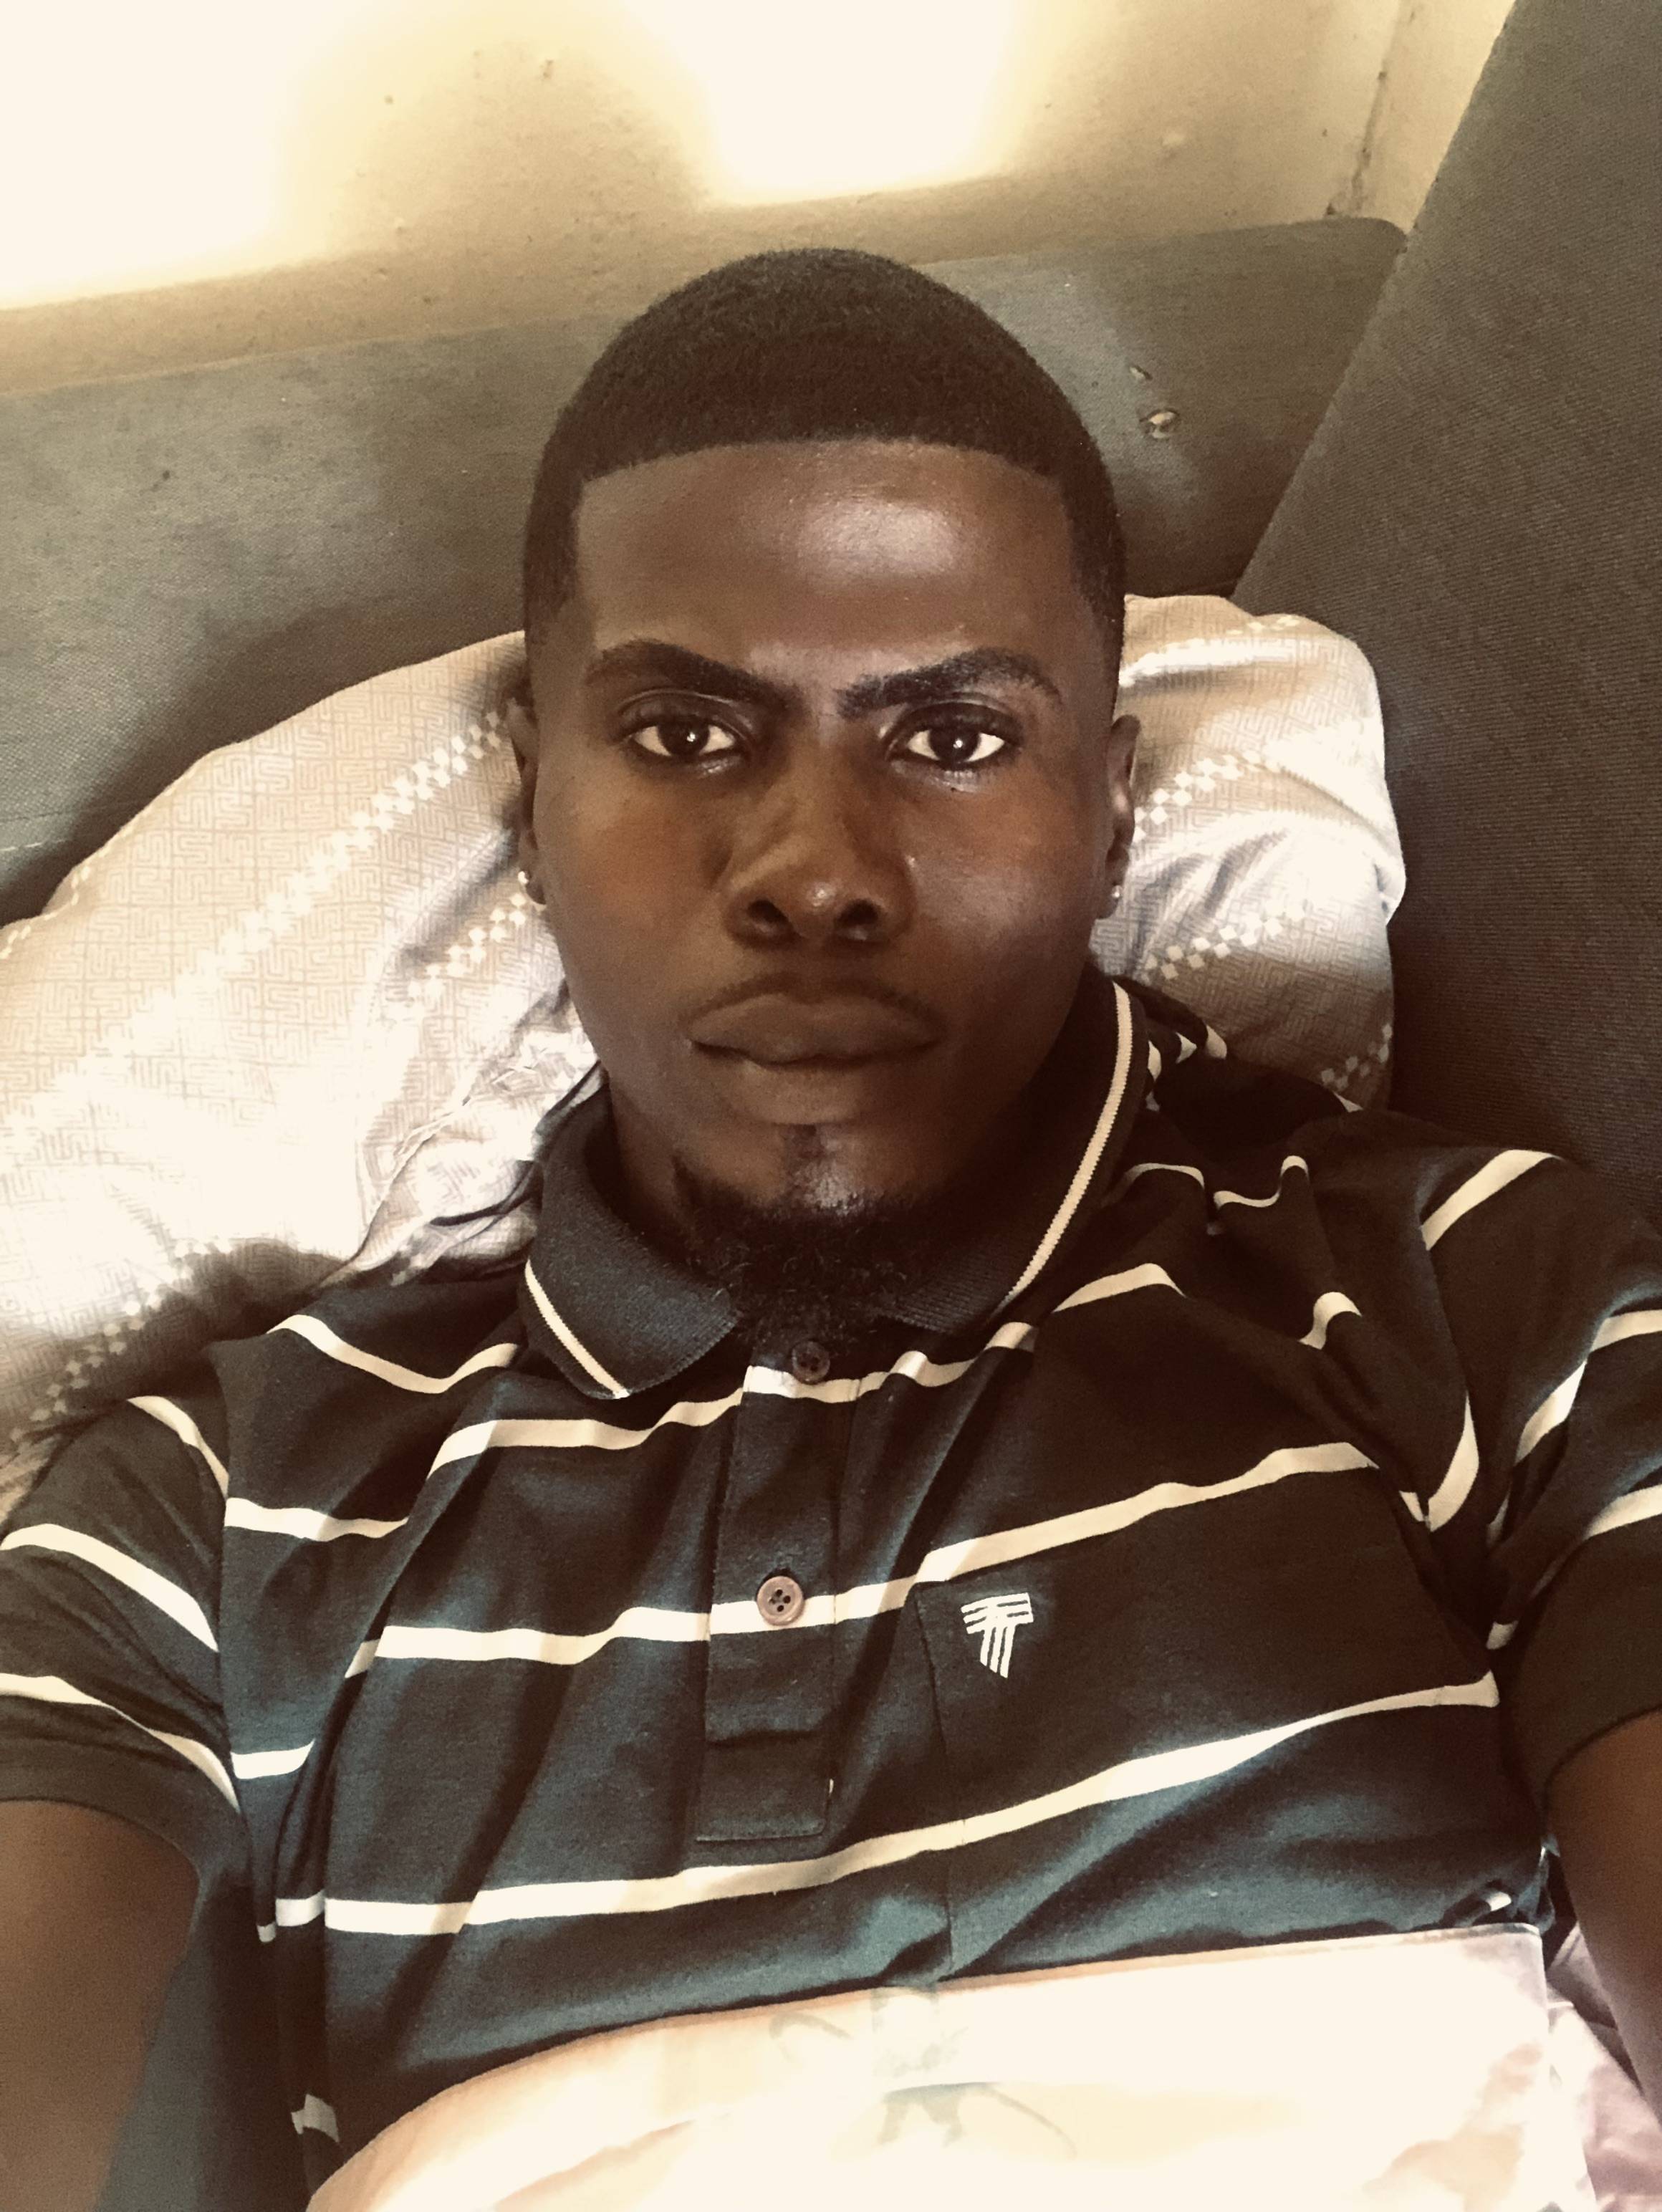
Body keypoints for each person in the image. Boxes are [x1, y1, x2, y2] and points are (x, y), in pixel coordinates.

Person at [2, 246, 1660, 2209]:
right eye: (686, 735)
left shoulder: (1475, 1299)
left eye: (951, 737)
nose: (813, 872)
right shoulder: (219, 1508)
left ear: (1114, 812)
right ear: (532, 805)